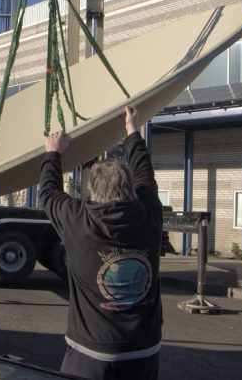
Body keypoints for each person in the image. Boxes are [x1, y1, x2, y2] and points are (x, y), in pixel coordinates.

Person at [39, 106, 163, 380]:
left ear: (92, 191)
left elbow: (47, 192)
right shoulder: (150, 213)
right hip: (143, 348)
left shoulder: (79, 220)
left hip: (90, 351)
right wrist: (132, 130)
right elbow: (145, 173)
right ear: (130, 187)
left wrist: (53, 152)